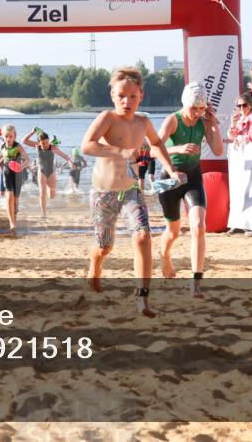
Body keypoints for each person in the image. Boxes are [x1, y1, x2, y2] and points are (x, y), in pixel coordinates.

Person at [81, 67, 182, 317]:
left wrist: (170, 169)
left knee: (142, 237)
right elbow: (86, 146)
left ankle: (142, 299)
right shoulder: (107, 118)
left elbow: (157, 143)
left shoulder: (143, 122)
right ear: (113, 95)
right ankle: (95, 264)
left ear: (141, 96)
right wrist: (120, 151)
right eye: (122, 96)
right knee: (105, 246)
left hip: (130, 191)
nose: (127, 102)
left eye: (133, 97)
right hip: (103, 193)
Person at [156, 82, 225, 297]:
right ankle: (165, 256)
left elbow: (218, 149)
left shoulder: (203, 122)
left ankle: (196, 282)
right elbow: (153, 148)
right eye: (193, 108)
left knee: (198, 226)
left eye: (201, 109)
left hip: (193, 176)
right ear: (185, 103)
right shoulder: (173, 120)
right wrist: (177, 149)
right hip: (170, 178)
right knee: (173, 232)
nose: (197, 113)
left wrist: (213, 123)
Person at [23, 129, 72, 218]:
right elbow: (24, 141)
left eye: (46, 142)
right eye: (43, 143)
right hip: (41, 172)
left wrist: (70, 162)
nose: (45, 145)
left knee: (52, 195)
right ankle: (44, 214)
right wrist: (32, 133)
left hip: (51, 172)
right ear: (39, 142)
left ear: (49, 140)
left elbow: (64, 156)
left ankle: (48, 190)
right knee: (42, 195)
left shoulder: (52, 147)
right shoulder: (37, 146)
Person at [0, 124, 28, 236]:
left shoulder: (18, 147)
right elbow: (2, 158)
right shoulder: (2, 146)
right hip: (6, 173)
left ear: (14, 136)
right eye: (6, 136)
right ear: (3, 136)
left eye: (11, 136)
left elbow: (28, 160)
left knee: (15, 200)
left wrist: (21, 166)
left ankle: (14, 218)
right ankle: (12, 224)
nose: (9, 139)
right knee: (9, 196)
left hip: (17, 175)